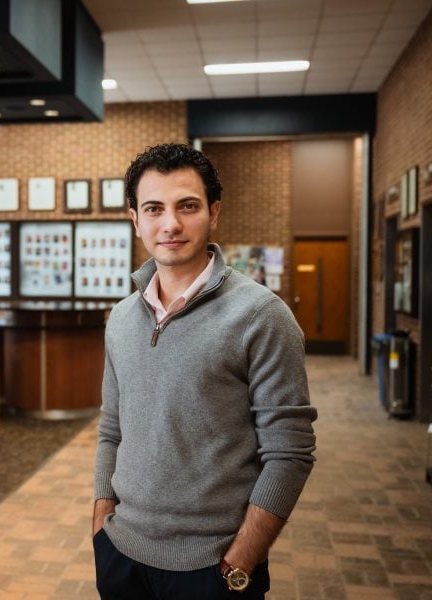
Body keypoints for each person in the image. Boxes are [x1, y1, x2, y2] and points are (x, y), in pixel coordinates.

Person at [92, 143, 317, 599]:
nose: (170, 224)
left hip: (213, 568)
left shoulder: (260, 316)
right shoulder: (121, 317)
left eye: (187, 206)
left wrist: (240, 562)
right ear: (136, 219)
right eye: (154, 208)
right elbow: (112, 428)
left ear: (213, 213)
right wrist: (101, 525)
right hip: (121, 554)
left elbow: (289, 452)